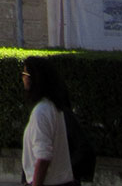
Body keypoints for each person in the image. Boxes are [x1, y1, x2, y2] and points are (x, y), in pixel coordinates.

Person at [21, 57, 75, 186]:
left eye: (25, 74)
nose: (23, 77)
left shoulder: (41, 112)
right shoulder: (53, 107)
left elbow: (43, 157)